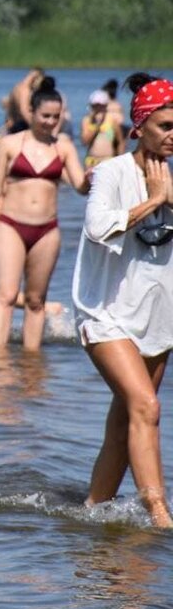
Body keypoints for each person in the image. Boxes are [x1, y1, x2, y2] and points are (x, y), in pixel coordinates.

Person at [74, 73, 173, 529]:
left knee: (125, 419)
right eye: (166, 126)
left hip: (158, 318)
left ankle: (95, 512)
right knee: (147, 407)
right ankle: (159, 514)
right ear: (140, 128)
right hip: (105, 313)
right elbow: (98, 228)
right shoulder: (112, 172)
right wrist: (154, 202)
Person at [0, 80, 89, 350]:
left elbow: (80, 186)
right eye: (45, 116)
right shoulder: (10, 144)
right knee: (6, 294)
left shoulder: (63, 147)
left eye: (55, 116)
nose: (50, 122)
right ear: (31, 112)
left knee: (36, 301)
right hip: (10, 226)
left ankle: (31, 362)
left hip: (47, 230)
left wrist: (94, 177)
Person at [81, 90, 125, 168]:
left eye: (100, 106)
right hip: (92, 162)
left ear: (105, 106)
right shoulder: (87, 120)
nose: (98, 109)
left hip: (108, 161)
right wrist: (97, 125)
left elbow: (120, 141)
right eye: (95, 106)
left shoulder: (112, 120)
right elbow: (85, 142)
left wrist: (120, 161)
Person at [4, 67, 43, 134]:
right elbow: (24, 111)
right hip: (20, 127)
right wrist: (37, 129)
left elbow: (7, 105)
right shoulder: (25, 90)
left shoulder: (17, 87)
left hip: (12, 125)